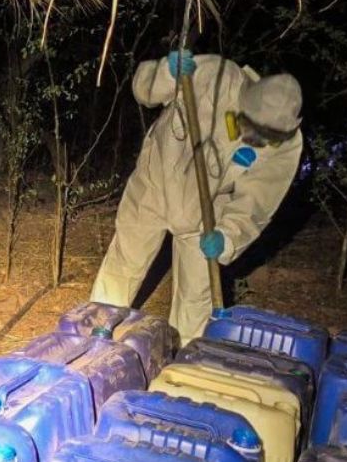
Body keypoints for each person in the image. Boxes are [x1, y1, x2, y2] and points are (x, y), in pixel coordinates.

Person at [91, 49, 303, 341]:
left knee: (196, 296)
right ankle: (92, 333)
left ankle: (186, 360)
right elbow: (145, 90)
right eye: (252, 127)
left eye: (266, 136)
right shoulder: (213, 74)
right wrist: (166, 72)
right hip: (155, 184)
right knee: (125, 264)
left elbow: (256, 203)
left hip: (208, 214)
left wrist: (228, 237)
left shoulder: (286, 148)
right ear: (244, 100)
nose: (256, 139)